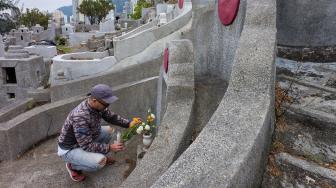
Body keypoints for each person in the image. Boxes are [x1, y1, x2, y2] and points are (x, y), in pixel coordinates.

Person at [57, 84, 137, 182]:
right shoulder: (80, 116)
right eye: (106, 103)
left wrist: (129, 124)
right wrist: (109, 148)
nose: (108, 105)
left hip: (84, 140)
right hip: (70, 149)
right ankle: (72, 166)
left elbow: (111, 117)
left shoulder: (98, 106)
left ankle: (92, 156)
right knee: (99, 162)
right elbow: (86, 145)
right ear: (94, 100)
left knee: (109, 130)